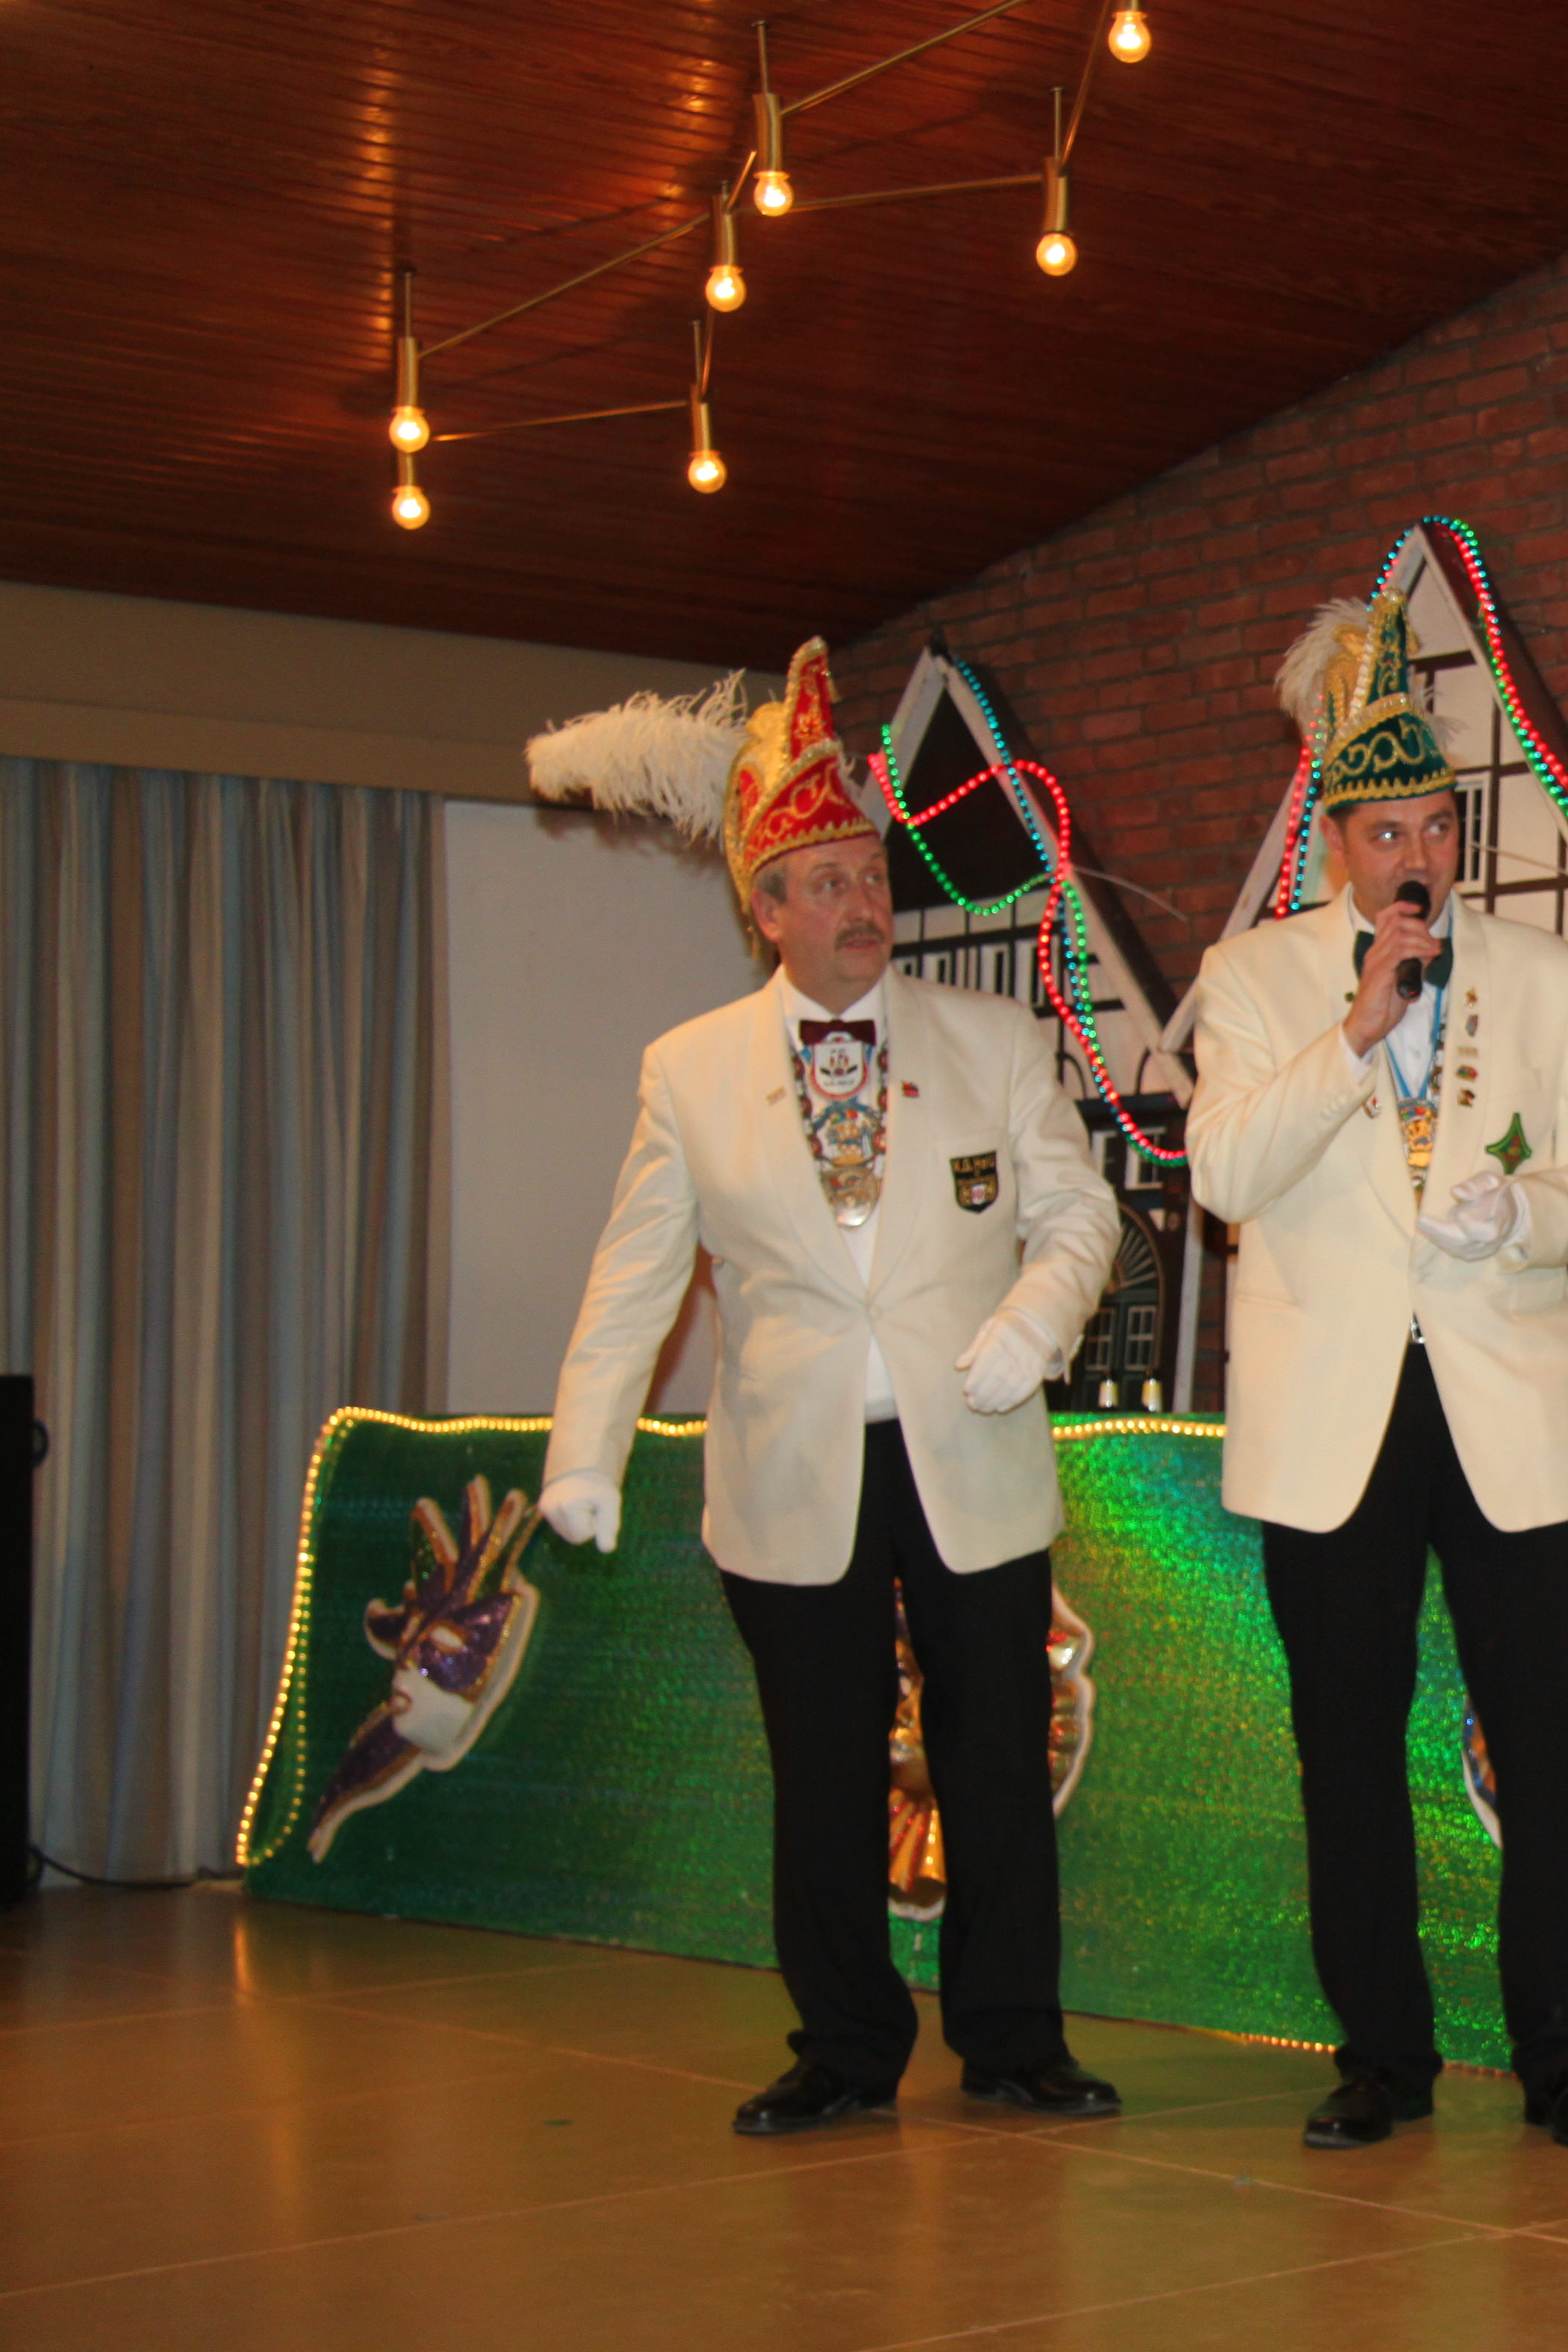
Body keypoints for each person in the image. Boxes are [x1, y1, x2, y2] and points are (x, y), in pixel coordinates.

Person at [530, 641, 1123, 2135]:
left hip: (969, 1443)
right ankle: (848, 2048)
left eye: (872, 875)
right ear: (768, 910)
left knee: (998, 1756)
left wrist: (1036, 1320)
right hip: (794, 1469)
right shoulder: (689, 1071)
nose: (864, 903)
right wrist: (584, 1452)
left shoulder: (993, 1042)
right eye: (828, 883)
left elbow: (1082, 1212)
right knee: (823, 1767)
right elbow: (636, 1278)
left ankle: (1015, 2038)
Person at [1186, 592, 1568, 2155]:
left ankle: (1566, 2061)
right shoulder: (1252, 980)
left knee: (1551, 1744)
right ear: (1336, 842)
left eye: (1438, 828)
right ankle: (1382, 2055)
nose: (1417, 858)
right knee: (1349, 1744)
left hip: (1500, 1402)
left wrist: (1524, 1214)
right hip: (1334, 1422)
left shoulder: (1547, 976)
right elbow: (1224, 1175)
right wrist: (1353, 1033)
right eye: (1386, 832)